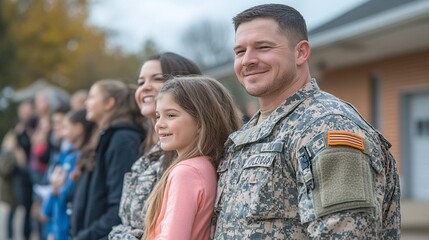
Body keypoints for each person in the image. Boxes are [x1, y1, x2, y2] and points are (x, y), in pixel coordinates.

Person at [211, 4, 401, 239]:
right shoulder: (247, 134)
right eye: (240, 51)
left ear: (301, 52)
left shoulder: (325, 127)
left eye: (263, 47)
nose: (247, 60)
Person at [109, 52, 202, 240]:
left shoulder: (186, 156)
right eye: (141, 82)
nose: (145, 87)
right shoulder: (148, 149)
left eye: (157, 79)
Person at [143, 76, 242, 239]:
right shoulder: (205, 165)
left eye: (171, 115)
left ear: (201, 122)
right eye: (158, 115)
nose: (159, 124)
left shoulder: (186, 172)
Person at [71, 80, 145, 240]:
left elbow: (118, 204)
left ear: (109, 103)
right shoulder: (104, 136)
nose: (86, 102)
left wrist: (86, 236)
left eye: (91, 97)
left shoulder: (122, 140)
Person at [42, 109, 95, 240]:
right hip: (59, 228)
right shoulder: (67, 155)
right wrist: (52, 230)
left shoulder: (80, 158)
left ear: (78, 128)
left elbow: (66, 194)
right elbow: (55, 197)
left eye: (65, 127)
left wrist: (57, 188)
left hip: (69, 230)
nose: (62, 132)